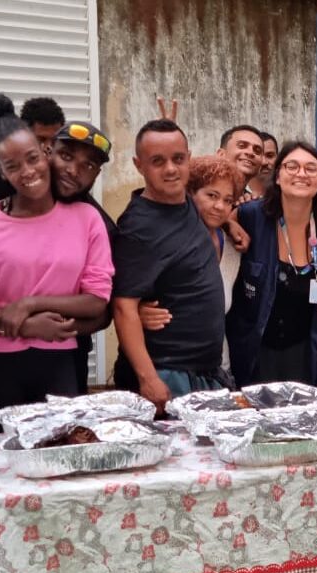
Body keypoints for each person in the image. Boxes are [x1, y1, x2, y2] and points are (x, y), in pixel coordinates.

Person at [0, 113, 112, 419]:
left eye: (88, 165)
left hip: (60, 355)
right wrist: (24, 324)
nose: (73, 170)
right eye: (66, 156)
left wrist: (31, 308)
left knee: (61, 449)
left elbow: (100, 304)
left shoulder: (91, 220)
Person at [112, 119, 226, 408]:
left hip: (203, 372)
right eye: (157, 161)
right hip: (167, 373)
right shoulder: (139, 227)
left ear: (189, 158)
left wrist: (234, 227)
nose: (171, 169)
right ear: (139, 166)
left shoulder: (185, 201)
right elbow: (124, 308)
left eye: (178, 158)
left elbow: (217, 199)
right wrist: (148, 379)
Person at [227, 142, 317, 387]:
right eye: (292, 166)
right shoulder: (248, 217)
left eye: (311, 168)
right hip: (252, 352)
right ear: (278, 176)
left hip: (307, 356)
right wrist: (228, 224)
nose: (301, 173)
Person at [187, 155, 248, 307]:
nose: (220, 206)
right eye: (212, 196)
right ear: (190, 193)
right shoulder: (175, 239)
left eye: (228, 200)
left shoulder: (232, 245)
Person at [219, 124, 267, 201]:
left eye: (257, 151)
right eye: (242, 146)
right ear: (221, 154)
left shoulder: (253, 205)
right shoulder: (196, 192)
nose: (250, 152)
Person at [255, 131, 278, 196]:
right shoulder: (237, 194)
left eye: (270, 156)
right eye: (258, 155)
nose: (264, 162)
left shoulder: (286, 194)